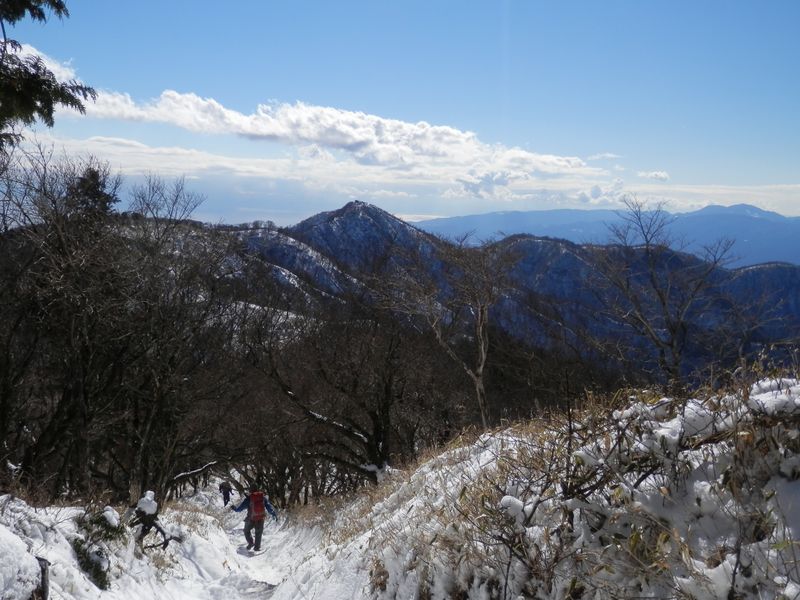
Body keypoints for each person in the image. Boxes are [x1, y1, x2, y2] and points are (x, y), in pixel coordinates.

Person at [231, 484, 277, 551]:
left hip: (251, 519)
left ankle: (251, 543)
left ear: (250, 490)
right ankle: (257, 547)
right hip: (261, 519)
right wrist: (273, 514)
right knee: (258, 533)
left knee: (246, 530)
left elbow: (240, 509)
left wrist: (235, 509)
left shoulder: (249, 499)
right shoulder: (262, 497)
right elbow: (269, 508)